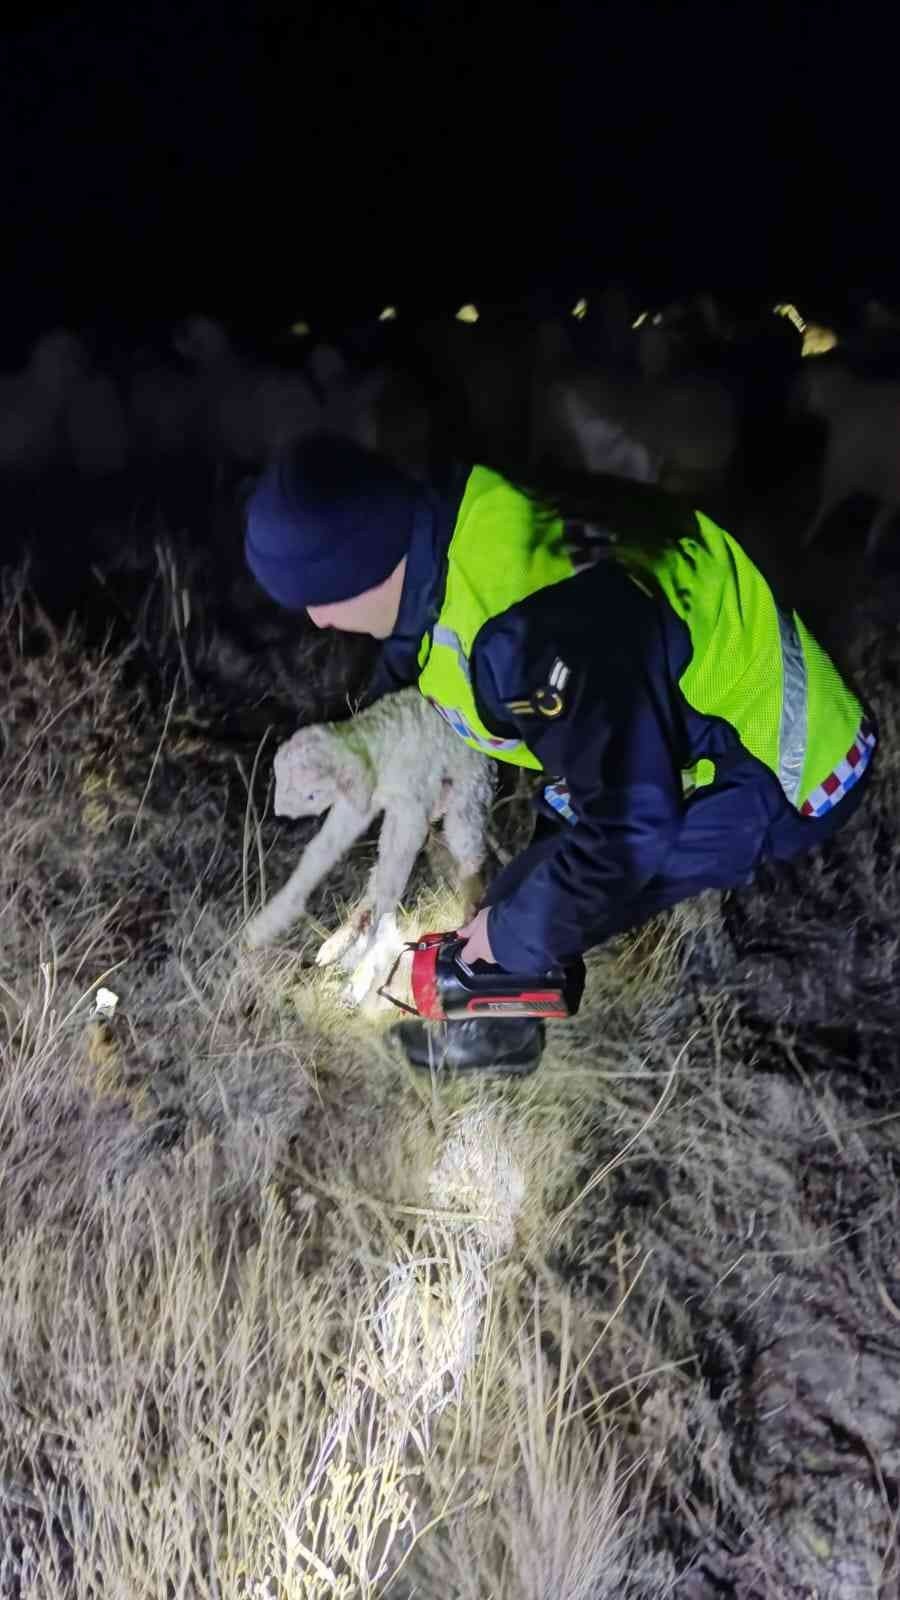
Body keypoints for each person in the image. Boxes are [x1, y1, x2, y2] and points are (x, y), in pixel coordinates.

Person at [244, 434, 878, 1074]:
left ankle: (498, 1036)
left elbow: (632, 827)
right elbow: (434, 644)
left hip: (784, 764)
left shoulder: (529, 631)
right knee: (538, 882)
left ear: (357, 565)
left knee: (527, 907)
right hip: (681, 706)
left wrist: (511, 935)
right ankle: (508, 996)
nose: (318, 622)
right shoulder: (461, 523)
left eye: (314, 600)